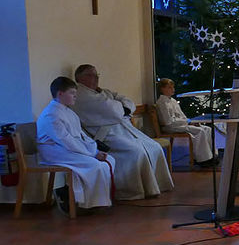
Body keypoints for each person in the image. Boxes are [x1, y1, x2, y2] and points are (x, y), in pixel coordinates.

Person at [72, 64, 173, 200]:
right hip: (107, 136)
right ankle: (133, 191)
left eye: (96, 75)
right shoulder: (81, 94)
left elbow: (127, 101)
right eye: (90, 75)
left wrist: (122, 109)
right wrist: (122, 109)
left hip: (123, 129)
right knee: (136, 152)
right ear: (79, 78)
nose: (95, 78)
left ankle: (156, 186)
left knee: (154, 147)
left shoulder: (104, 92)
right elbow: (111, 110)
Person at [36, 76, 115, 213]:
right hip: (54, 152)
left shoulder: (69, 112)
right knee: (94, 165)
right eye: (72, 93)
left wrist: (94, 148)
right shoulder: (51, 114)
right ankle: (81, 203)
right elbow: (66, 141)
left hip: (67, 149)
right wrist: (93, 154)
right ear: (60, 94)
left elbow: (81, 136)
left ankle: (94, 201)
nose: (75, 97)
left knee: (109, 159)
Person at [155, 78, 216, 166]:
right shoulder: (162, 103)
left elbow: (182, 115)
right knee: (199, 131)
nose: (173, 90)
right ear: (162, 89)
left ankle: (211, 155)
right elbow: (168, 121)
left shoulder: (173, 101)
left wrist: (189, 121)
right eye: (169, 88)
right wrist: (186, 122)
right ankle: (203, 159)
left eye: (173, 87)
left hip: (179, 124)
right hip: (171, 126)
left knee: (207, 129)